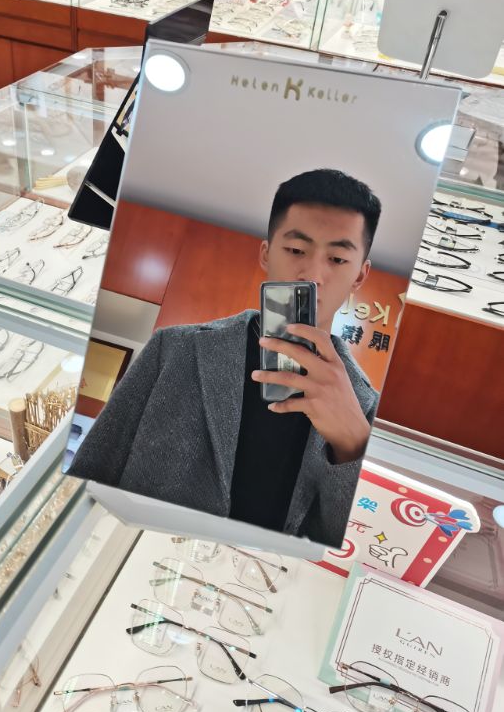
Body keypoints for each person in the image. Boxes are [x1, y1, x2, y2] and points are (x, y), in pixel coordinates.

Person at [69, 169, 382, 546]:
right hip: (132, 559)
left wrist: (352, 446)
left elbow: (346, 548)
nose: (312, 274)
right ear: (266, 254)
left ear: (359, 276)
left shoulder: (365, 408)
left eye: (337, 258)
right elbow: (90, 472)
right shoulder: (174, 349)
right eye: (296, 250)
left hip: (255, 578)